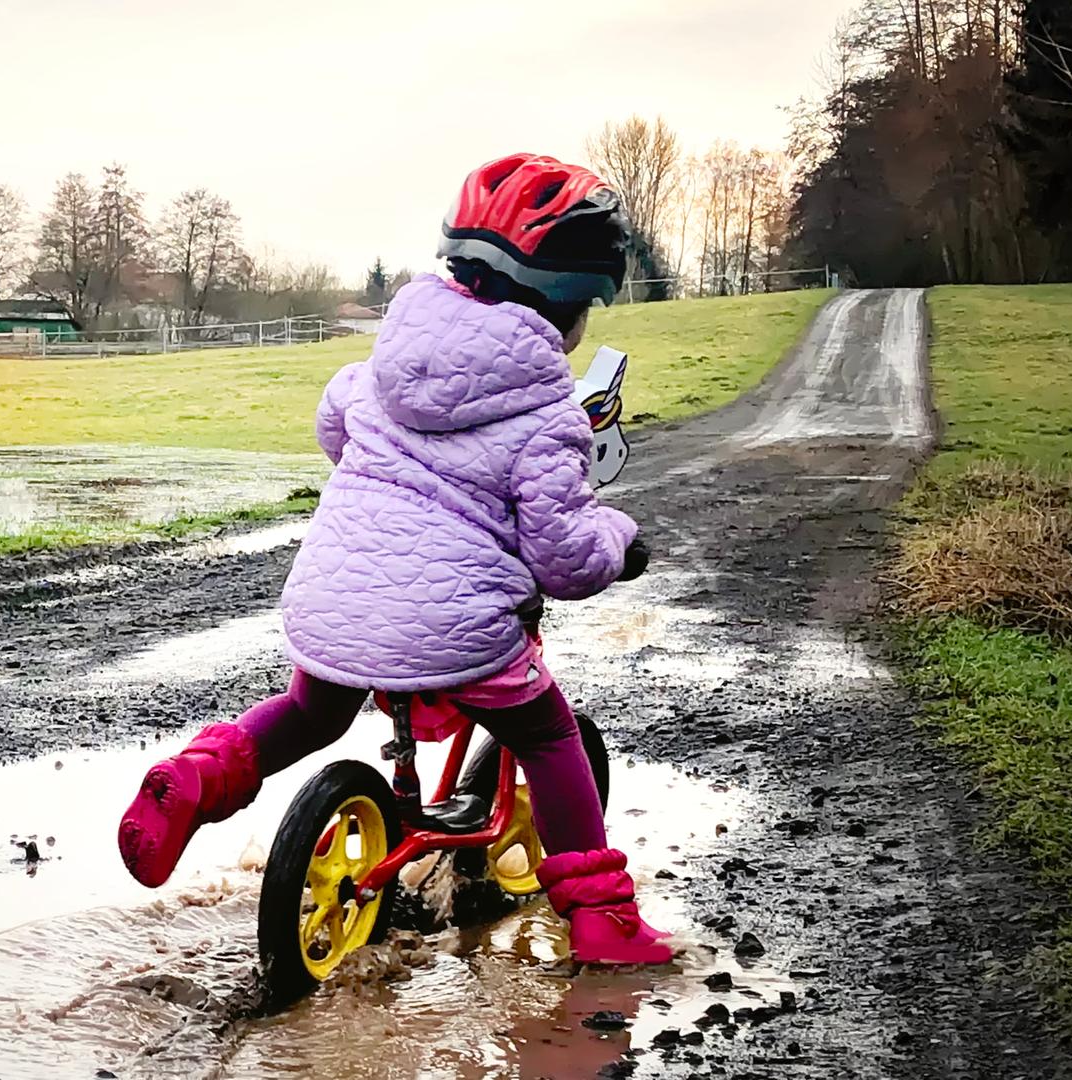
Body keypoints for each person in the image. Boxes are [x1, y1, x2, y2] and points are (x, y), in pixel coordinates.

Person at [116, 153, 670, 966]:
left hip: (334, 602)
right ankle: (602, 920)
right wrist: (618, 542)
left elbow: (334, 427)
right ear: (568, 307)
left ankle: (196, 777)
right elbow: (563, 559)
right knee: (550, 736)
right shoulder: (551, 413)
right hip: (456, 630)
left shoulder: (378, 367)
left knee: (312, 712)